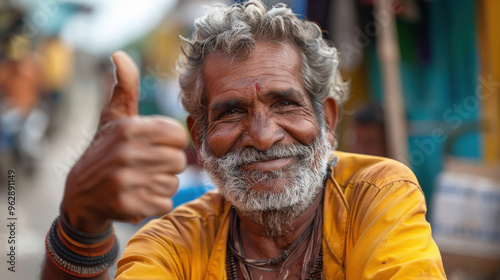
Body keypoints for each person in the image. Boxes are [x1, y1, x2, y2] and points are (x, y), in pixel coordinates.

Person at [41, 1, 446, 279]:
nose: (264, 137)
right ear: (199, 137)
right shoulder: (171, 244)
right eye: (231, 112)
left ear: (327, 118)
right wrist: (81, 230)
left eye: (285, 104)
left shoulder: (376, 194)